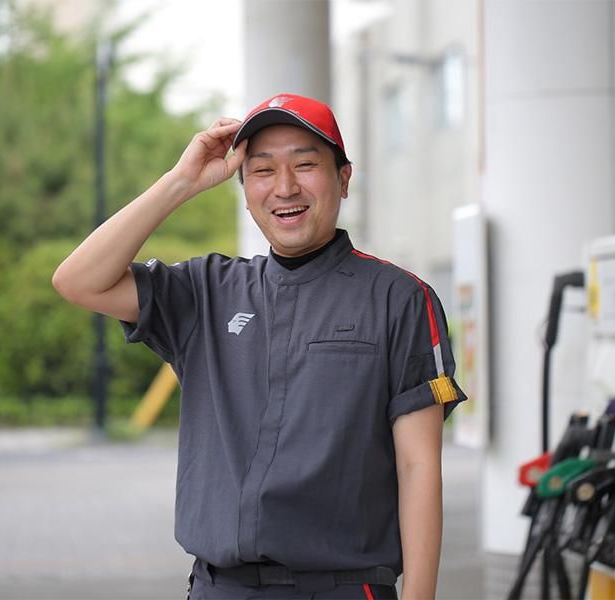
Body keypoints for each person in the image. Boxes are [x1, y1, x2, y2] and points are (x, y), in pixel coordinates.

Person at [53, 93, 466, 600]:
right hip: (218, 588)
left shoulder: (399, 298)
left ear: (343, 178)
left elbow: (418, 467)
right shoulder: (207, 291)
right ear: (245, 189)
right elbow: (78, 280)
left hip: (341, 588)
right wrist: (181, 182)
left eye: (305, 165)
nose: (285, 187)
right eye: (263, 170)